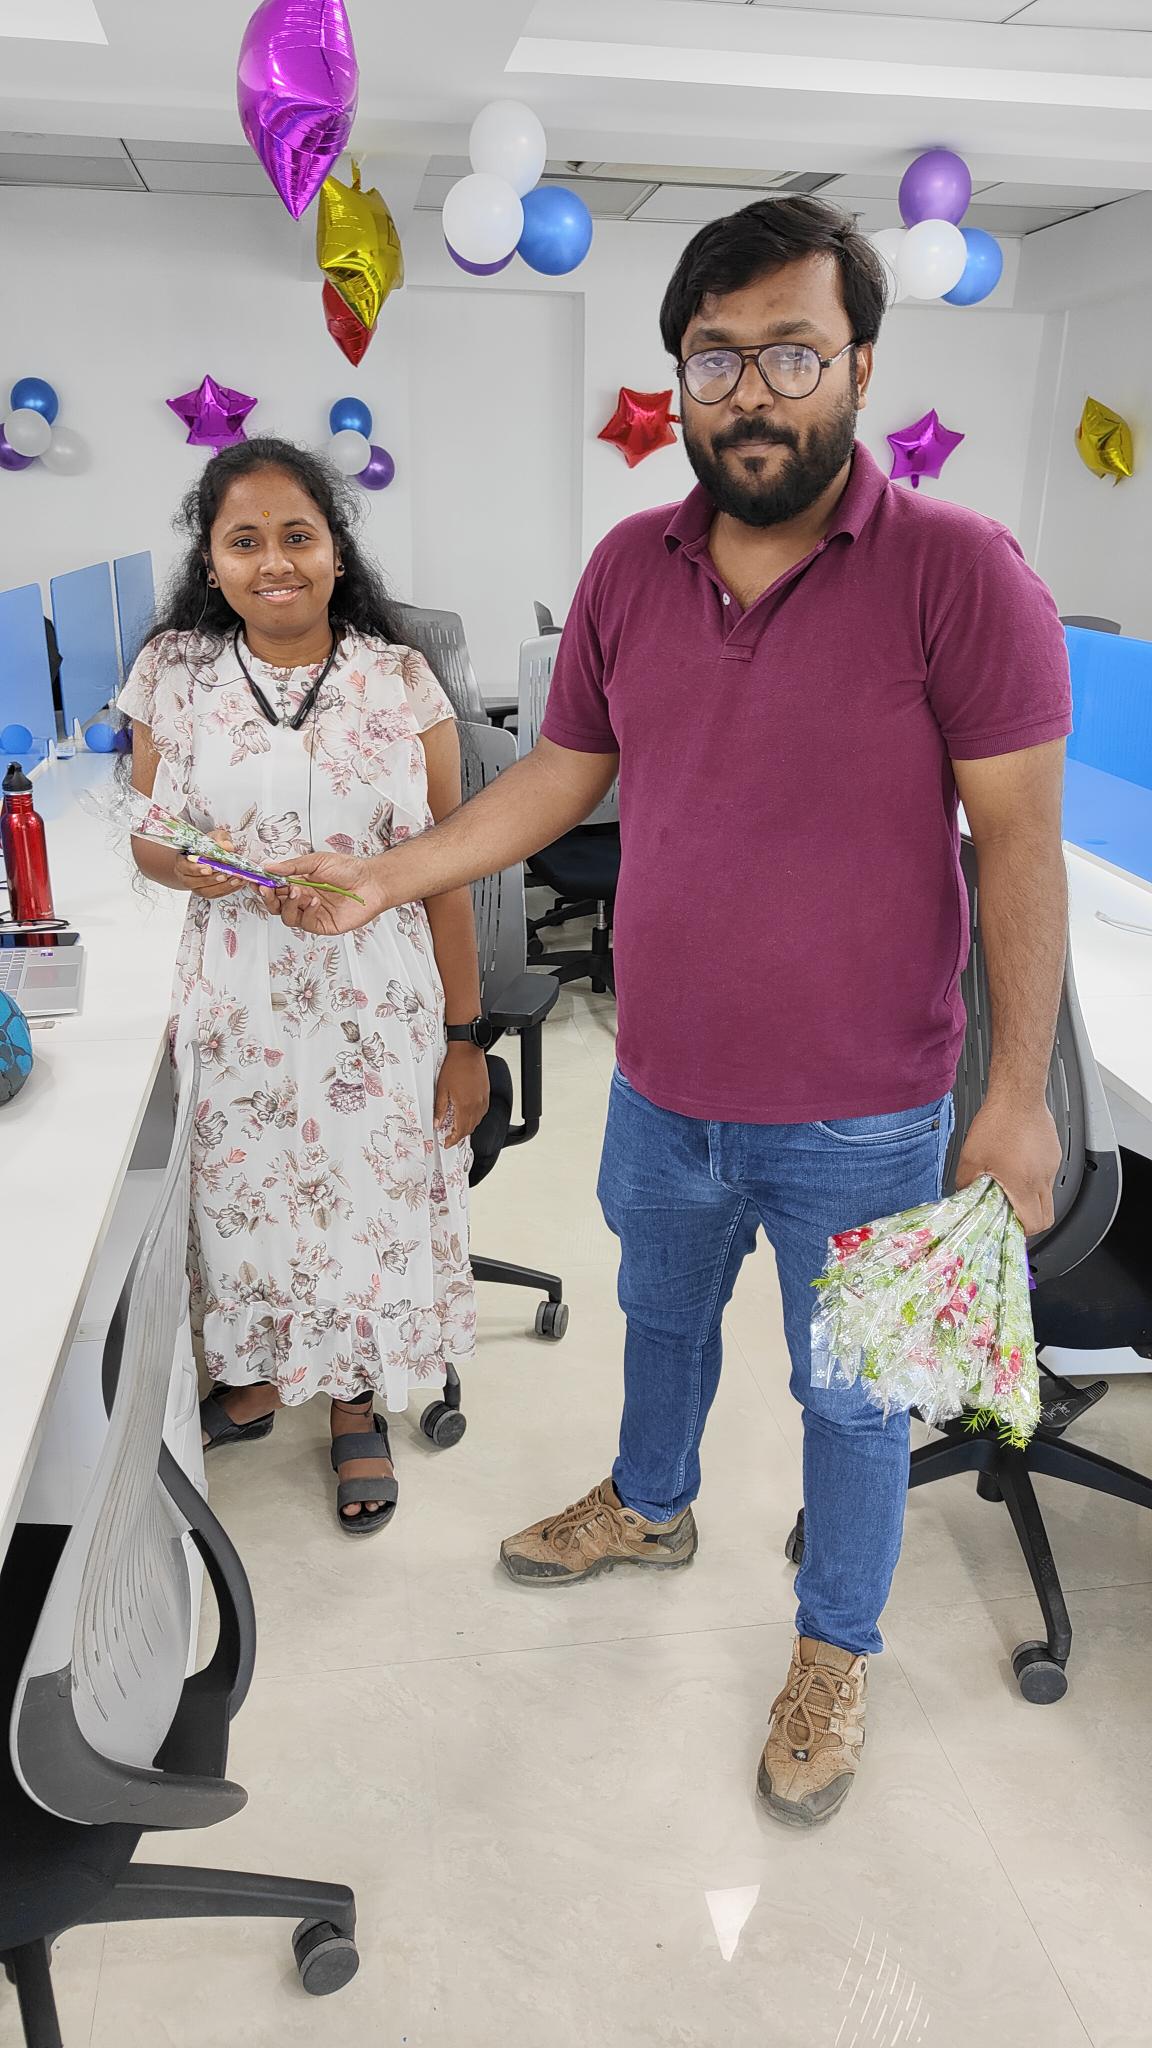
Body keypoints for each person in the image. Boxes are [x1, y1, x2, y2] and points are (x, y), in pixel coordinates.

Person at [270, 200, 1072, 1816]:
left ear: (860, 363)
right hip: (663, 1081)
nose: (751, 391)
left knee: (856, 1397)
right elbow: (562, 775)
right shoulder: (628, 569)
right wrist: (389, 874)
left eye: (792, 352)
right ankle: (650, 1502)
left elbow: (1017, 843)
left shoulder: (960, 570)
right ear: (681, 377)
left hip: (873, 1108)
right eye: (716, 358)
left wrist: (1016, 1098)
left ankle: (835, 1643)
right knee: (660, 1316)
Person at [119, 437, 488, 1536]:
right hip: (236, 991)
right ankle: (257, 1374)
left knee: (367, 1202)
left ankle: (354, 1401)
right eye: (244, 541)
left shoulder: (399, 678)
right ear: (212, 559)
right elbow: (150, 834)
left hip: (377, 998)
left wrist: (465, 1034)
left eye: (297, 536)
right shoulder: (174, 672)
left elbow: (449, 864)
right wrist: (190, 866)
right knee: (243, 1200)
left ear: (336, 550)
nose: (273, 562)